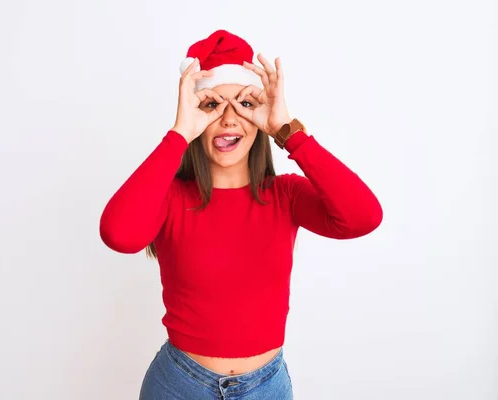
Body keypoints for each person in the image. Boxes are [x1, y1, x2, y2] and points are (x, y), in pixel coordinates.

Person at [99, 29, 383, 400]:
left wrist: (288, 131)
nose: (230, 118)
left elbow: (363, 216)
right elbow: (118, 234)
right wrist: (179, 133)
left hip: (267, 387)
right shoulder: (169, 197)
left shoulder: (286, 195)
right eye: (213, 105)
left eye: (245, 104)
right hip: (180, 385)